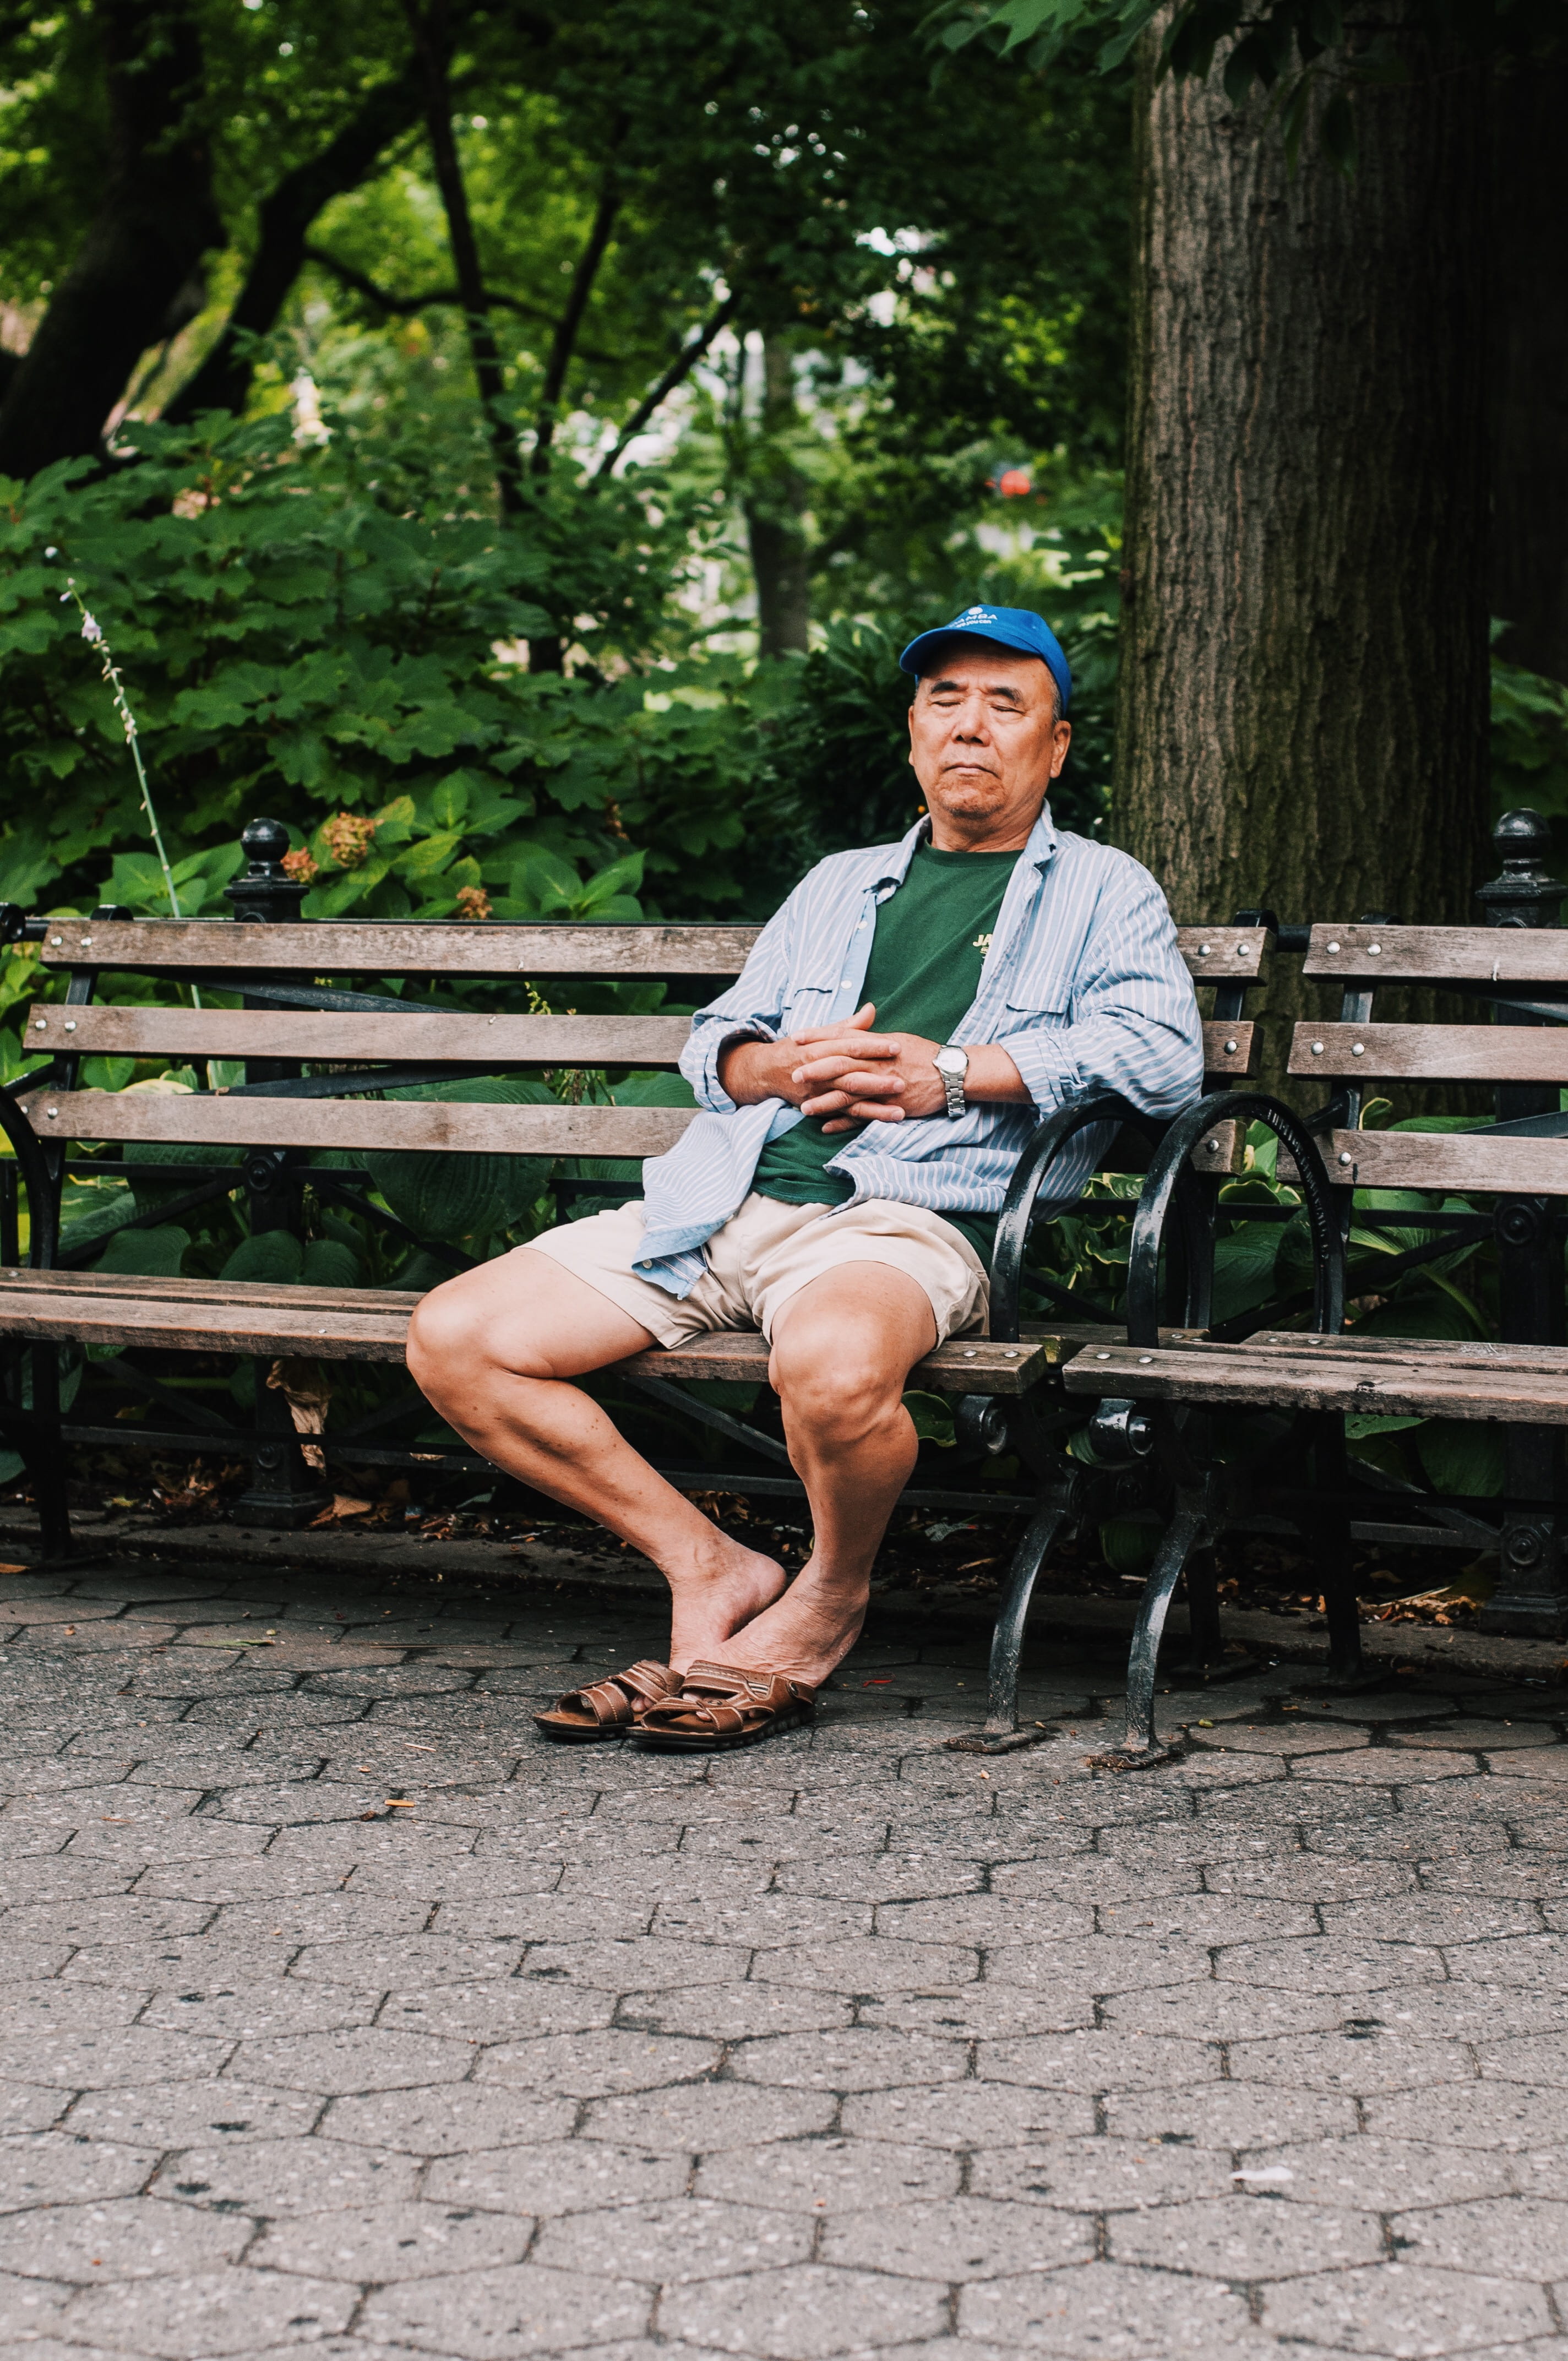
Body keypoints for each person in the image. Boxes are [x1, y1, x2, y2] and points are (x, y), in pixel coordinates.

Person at [406, 604, 1204, 1749]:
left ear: (1055, 745)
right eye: (944, 700)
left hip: (904, 1218)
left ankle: (827, 1594)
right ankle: (709, 1564)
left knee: (828, 1370)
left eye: (1002, 703)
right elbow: (715, 1037)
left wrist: (956, 1072)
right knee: (455, 1337)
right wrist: (768, 1061)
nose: (968, 724)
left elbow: (1163, 1059)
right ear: (912, 733)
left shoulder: (1102, 889)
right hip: (721, 1203)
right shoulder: (836, 883)